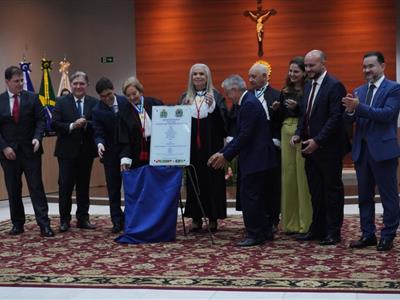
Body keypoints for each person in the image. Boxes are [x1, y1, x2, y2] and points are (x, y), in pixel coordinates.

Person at [208, 74, 277, 246]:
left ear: (234, 89)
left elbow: (245, 136)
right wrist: (222, 152)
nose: (228, 97)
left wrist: (225, 156)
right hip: (259, 158)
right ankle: (264, 230)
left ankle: (255, 234)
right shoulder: (248, 102)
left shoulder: (248, 105)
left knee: (250, 197)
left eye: (227, 93)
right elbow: (241, 135)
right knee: (258, 197)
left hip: (256, 159)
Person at [342, 51, 400, 251]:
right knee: (364, 196)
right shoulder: (359, 90)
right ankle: (368, 235)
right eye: (364, 67)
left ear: (383, 66)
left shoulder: (394, 88)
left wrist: (359, 107)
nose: (367, 70)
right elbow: (352, 119)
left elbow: (387, 115)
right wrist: (349, 111)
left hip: (383, 151)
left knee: (388, 196)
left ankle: (388, 235)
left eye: (371, 66)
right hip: (362, 151)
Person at [291, 50, 349, 246]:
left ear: (323, 63)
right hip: (309, 148)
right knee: (315, 191)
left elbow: (335, 118)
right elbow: (304, 114)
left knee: (331, 191)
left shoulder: (335, 86)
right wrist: (299, 133)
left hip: (328, 149)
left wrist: (317, 141)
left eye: (311, 66)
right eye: (306, 66)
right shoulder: (308, 86)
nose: (308, 69)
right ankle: (317, 229)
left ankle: (333, 232)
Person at [0, 66, 54, 237]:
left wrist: (38, 137)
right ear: (7, 82)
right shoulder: (0, 100)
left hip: (31, 150)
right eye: (16, 81)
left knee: (36, 187)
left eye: (22, 80)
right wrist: (4, 147)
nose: (20, 84)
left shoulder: (32, 98)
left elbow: (41, 120)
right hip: (9, 153)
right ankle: (17, 224)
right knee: (13, 188)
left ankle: (44, 224)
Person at [179, 63, 227, 233]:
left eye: (202, 74)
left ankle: (213, 218)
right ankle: (196, 217)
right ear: (191, 78)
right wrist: (182, 109)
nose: (198, 77)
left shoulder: (217, 96)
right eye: (195, 74)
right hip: (192, 148)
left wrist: (213, 107)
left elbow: (224, 124)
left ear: (207, 77)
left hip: (211, 146)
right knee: (194, 180)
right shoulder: (185, 97)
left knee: (212, 180)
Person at [52, 71, 98, 232]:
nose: (78, 86)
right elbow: (55, 124)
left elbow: (98, 124)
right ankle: (64, 220)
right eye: (75, 83)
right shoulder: (61, 102)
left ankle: (83, 218)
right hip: (66, 153)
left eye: (81, 83)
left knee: (83, 187)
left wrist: (86, 124)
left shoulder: (94, 102)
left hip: (86, 152)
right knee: (65, 187)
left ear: (87, 85)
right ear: (71, 85)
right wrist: (72, 125)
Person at [278, 57, 312, 234]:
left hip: (302, 132)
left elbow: (308, 113)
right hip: (286, 132)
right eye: (290, 71)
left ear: (304, 73)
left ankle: (305, 223)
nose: (292, 74)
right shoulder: (285, 91)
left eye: (296, 71)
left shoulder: (309, 89)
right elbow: (281, 116)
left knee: (302, 177)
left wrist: (298, 107)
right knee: (289, 177)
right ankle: (290, 223)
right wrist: (278, 108)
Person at [248, 62, 281, 232]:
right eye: (249, 76)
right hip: (252, 148)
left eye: (254, 76)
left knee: (272, 184)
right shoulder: (247, 95)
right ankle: (258, 219)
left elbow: (284, 120)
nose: (250, 80)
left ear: (265, 76)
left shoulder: (277, 94)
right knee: (256, 186)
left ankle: (273, 218)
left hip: (272, 147)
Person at [92, 77, 127, 233]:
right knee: (113, 190)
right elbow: (98, 132)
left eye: (109, 94)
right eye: (103, 96)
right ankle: (117, 221)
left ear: (114, 89)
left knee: (131, 188)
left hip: (127, 152)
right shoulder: (97, 110)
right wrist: (99, 144)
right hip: (110, 154)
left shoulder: (125, 102)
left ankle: (130, 218)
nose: (106, 98)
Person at [119, 76, 164, 171]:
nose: (131, 97)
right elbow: (124, 139)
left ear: (140, 91)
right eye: (128, 95)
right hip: (137, 152)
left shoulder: (155, 103)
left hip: (157, 148)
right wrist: (125, 158)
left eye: (134, 93)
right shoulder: (124, 112)